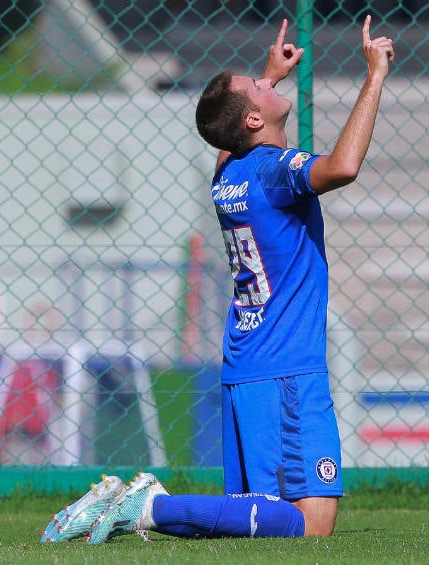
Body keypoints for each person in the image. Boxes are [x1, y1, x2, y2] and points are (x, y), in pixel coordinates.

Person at [40, 14, 394, 544]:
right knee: (310, 524)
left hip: (246, 363)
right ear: (252, 120)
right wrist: (374, 76)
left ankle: (138, 508)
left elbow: (228, 136)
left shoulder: (228, 177)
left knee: (257, 515)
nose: (263, 78)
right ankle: (152, 507)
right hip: (285, 370)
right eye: (254, 86)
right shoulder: (274, 170)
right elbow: (341, 167)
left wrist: (267, 83)